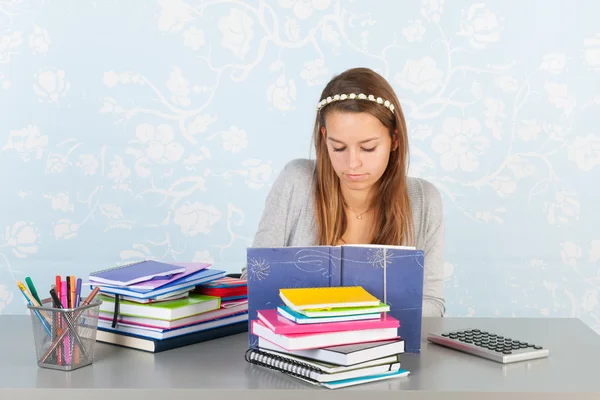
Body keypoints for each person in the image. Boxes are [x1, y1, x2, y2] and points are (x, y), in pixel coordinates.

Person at [241, 67, 445, 317]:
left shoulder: (424, 200)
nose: (352, 164)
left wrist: (351, 321)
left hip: (385, 351)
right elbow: (253, 281)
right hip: (297, 352)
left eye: (368, 148)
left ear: (394, 139)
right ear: (324, 137)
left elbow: (433, 304)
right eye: (338, 148)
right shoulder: (296, 180)